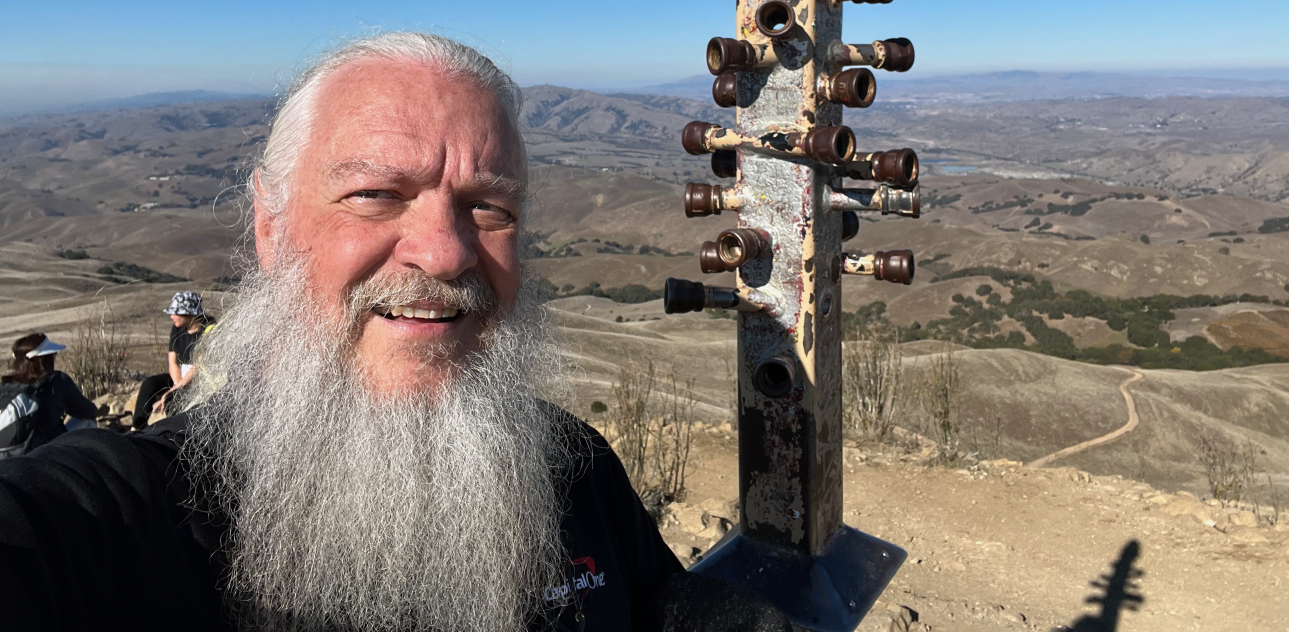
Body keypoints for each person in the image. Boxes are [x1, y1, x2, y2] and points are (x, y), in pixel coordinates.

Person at [0, 32, 786, 632]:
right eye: (375, 193)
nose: (446, 251)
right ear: (269, 228)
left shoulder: (578, 472)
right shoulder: (122, 517)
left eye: (492, 208)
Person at [0, 334, 98, 453]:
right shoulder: (56, 381)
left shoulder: (5, 386)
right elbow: (88, 411)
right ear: (45, 358)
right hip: (40, 454)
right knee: (87, 422)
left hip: (7, 457)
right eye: (53, 354)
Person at [131, 292, 210, 429]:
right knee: (150, 384)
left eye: (175, 313)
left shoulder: (208, 328)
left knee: (173, 400)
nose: (171, 317)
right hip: (179, 377)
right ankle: (139, 427)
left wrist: (176, 388)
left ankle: (175, 432)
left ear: (188, 313)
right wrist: (176, 383)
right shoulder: (177, 328)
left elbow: (200, 365)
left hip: (199, 377)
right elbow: (172, 361)